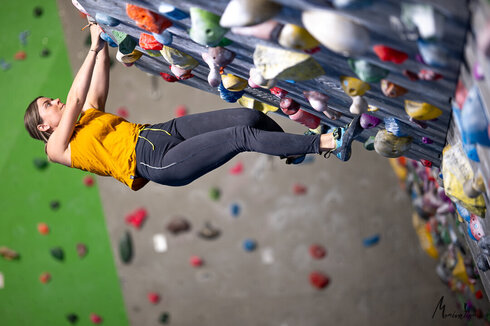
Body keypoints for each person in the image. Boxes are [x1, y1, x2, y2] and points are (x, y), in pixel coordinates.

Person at [24, 22, 362, 191]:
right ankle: (328, 143)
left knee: (249, 116)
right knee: (240, 136)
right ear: (43, 126)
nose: (56, 102)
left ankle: (290, 149)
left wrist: (102, 39)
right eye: (48, 105)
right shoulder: (57, 147)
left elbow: (95, 88)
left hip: (160, 132)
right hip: (156, 161)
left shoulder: (86, 119)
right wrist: (91, 47)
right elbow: (77, 98)